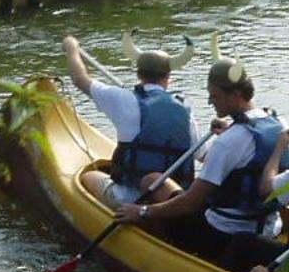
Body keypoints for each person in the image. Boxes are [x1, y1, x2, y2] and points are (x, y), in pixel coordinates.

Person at [114, 56, 287, 272]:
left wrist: (142, 212)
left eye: (214, 96)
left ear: (234, 94)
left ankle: (164, 253)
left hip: (220, 234)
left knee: (153, 188)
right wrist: (231, 129)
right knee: (153, 180)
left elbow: (191, 203)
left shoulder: (230, 141)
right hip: (268, 229)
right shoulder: (278, 124)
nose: (209, 102)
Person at [64, 33, 193, 209]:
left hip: (129, 199)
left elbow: (79, 79)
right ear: (168, 77)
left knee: (89, 177)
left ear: (138, 74)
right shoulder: (185, 109)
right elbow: (203, 155)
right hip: (173, 201)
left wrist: (71, 48)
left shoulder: (122, 98)